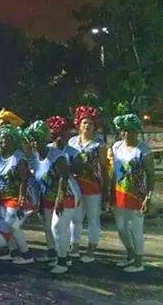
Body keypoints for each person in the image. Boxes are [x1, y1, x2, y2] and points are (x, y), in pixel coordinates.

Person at [27, 120, 77, 274]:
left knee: (58, 227)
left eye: (38, 138)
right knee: (48, 227)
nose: (35, 142)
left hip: (64, 196)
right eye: (32, 139)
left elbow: (64, 177)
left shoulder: (58, 156)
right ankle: (53, 254)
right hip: (46, 198)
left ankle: (63, 261)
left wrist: (60, 199)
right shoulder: (35, 157)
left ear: (45, 138)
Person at [109, 114, 155, 273]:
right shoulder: (116, 147)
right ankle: (130, 256)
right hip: (119, 194)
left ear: (136, 131)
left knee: (136, 230)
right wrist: (110, 193)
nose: (127, 134)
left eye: (131, 131)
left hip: (137, 195)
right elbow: (114, 172)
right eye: (124, 131)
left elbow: (151, 175)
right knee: (121, 229)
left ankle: (138, 263)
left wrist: (148, 198)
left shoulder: (144, 150)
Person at [67, 106, 107, 262]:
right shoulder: (72, 142)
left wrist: (105, 189)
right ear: (78, 124)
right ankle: (74, 247)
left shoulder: (99, 144)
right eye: (84, 122)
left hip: (93, 186)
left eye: (90, 123)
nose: (87, 126)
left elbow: (104, 167)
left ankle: (91, 250)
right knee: (75, 218)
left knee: (93, 219)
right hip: (75, 185)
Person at [0, 125, 34, 264]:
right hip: (2, 198)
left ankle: (27, 255)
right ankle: (12, 251)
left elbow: (24, 179)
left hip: (16, 197)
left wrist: (21, 200)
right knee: (7, 226)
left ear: (13, 140)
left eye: (7, 139)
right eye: (1, 139)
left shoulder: (18, 157)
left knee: (11, 226)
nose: (4, 142)